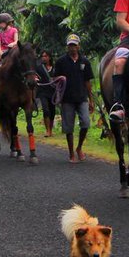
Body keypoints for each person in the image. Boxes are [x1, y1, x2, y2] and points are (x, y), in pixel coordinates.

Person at [54, 33, 96, 163]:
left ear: (78, 46)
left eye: (74, 45)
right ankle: (71, 153)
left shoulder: (84, 61)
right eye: (70, 45)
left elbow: (87, 82)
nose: (72, 48)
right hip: (67, 99)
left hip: (82, 97)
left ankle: (79, 148)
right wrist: (59, 82)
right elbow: (55, 79)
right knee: (68, 127)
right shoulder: (61, 61)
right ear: (67, 47)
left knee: (85, 123)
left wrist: (91, 100)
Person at [35, 50, 56, 136]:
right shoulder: (39, 67)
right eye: (43, 56)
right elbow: (35, 75)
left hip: (53, 92)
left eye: (45, 56)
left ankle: (50, 130)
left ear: (49, 57)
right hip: (42, 91)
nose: (44, 58)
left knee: (52, 111)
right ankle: (47, 130)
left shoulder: (55, 68)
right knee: (46, 110)